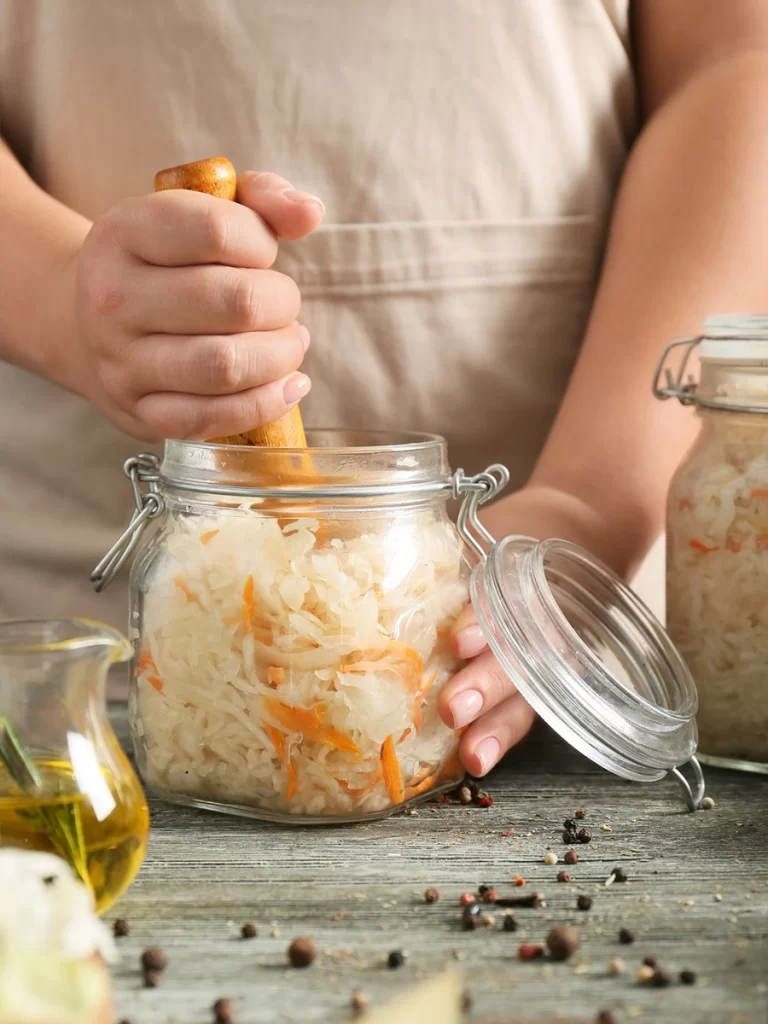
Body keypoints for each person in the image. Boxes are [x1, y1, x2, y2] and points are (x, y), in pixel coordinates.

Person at [1, 1, 767, 778]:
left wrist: (587, 504)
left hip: (570, 641)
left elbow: (736, 56)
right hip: (63, 686)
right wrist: (57, 298)